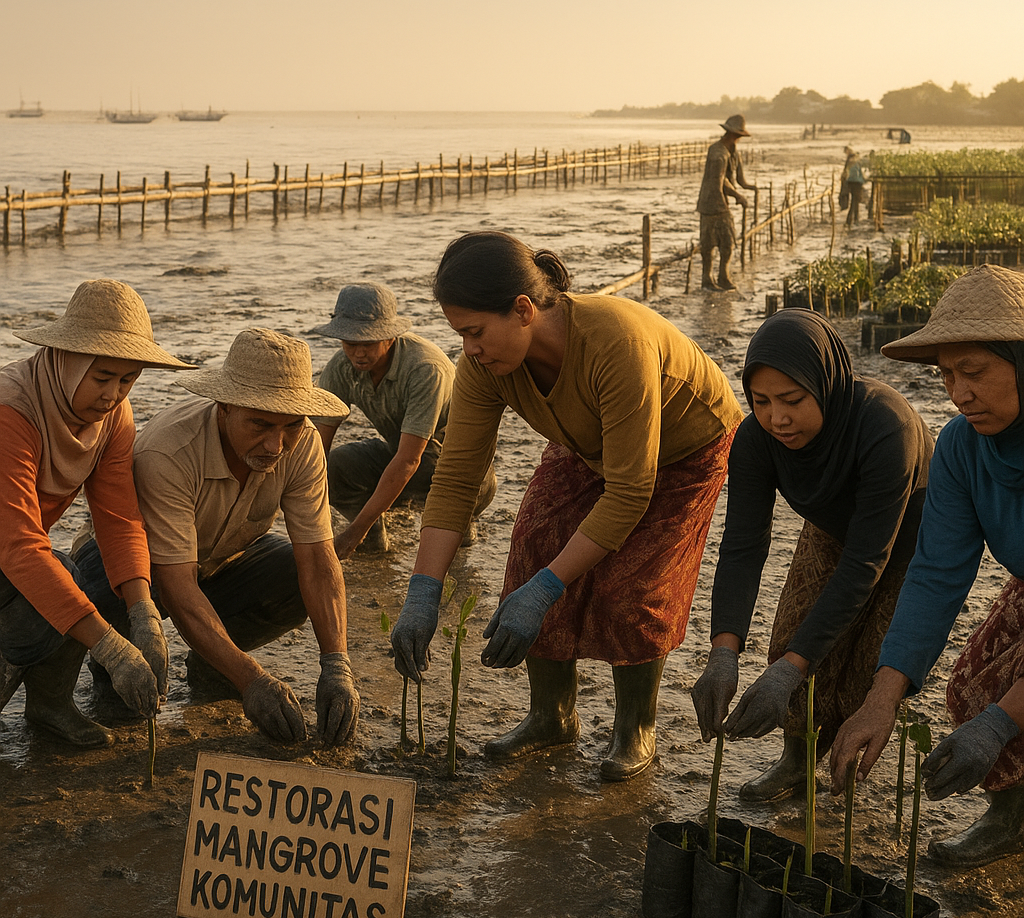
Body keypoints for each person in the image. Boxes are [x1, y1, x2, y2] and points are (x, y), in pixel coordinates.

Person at [389, 231, 742, 781]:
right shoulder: (484, 367)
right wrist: (422, 592)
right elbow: (457, 477)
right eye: (461, 335)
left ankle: (636, 729)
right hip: (590, 440)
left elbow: (629, 492)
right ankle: (551, 716)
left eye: (476, 332)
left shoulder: (614, 342)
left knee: (634, 582)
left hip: (685, 447)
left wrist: (546, 592)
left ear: (524, 309)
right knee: (534, 539)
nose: (470, 348)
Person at [691, 309, 932, 799]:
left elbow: (866, 562)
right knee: (793, 631)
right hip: (832, 525)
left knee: (868, 663)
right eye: (760, 401)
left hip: (915, 537)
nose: (777, 417)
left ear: (826, 384)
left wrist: (789, 671)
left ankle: (847, 770)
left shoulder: (886, 426)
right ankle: (796, 762)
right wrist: (723, 651)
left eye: (793, 400)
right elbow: (742, 545)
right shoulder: (756, 440)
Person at [79, 327, 360, 746]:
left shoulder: (301, 446)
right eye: (260, 424)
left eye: (291, 426)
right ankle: (113, 668)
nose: (275, 444)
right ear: (224, 407)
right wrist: (253, 679)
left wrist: (337, 664)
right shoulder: (170, 451)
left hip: (223, 557)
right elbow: (175, 584)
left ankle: (215, 664)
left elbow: (319, 562)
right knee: (108, 606)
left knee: (291, 576)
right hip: (134, 566)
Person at [831, 264, 1024, 868]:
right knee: (975, 682)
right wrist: (880, 698)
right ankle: (1013, 817)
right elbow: (937, 573)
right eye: (946, 375)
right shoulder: (964, 448)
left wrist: (1000, 725)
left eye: (975, 372)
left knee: (1003, 707)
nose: (959, 393)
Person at [0, 279, 191, 747]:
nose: (114, 394)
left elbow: (118, 516)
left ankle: (49, 706)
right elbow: (20, 546)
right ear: (66, 360)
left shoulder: (113, 419)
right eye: (102, 377)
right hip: (9, 544)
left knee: (77, 577)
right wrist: (108, 647)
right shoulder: (12, 409)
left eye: (128, 379)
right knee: (53, 578)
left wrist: (143, 610)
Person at [311, 282, 496, 557]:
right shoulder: (341, 366)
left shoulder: (424, 368)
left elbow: (410, 460)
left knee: (425, 467)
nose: (359, 353)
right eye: (350, 344)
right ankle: (373, 538)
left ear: (390, 337)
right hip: (400, 451)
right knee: (333, 469)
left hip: (460, 470)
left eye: (369, 343)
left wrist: (353, 533)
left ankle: (459, 522)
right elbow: (315, 442)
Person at [697, 114, 756, 292]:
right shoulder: (718, 153)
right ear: (731, 134)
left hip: (722, 203)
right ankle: (707, 279)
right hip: (710, 203)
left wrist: (751, 188)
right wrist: (738, 196)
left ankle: (723, 277)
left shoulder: (732, 151)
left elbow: (739, 179)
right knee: (709, 245)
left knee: (727, 243)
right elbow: (719, 181)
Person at [841, 146, 867, 227]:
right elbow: (861, 173)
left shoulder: (849, 161)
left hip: (851, 183)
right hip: (857, 183)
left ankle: (853, 220)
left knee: (854, 201)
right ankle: (853, 220)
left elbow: (845, 173)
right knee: (855, 202)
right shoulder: (857, 161)